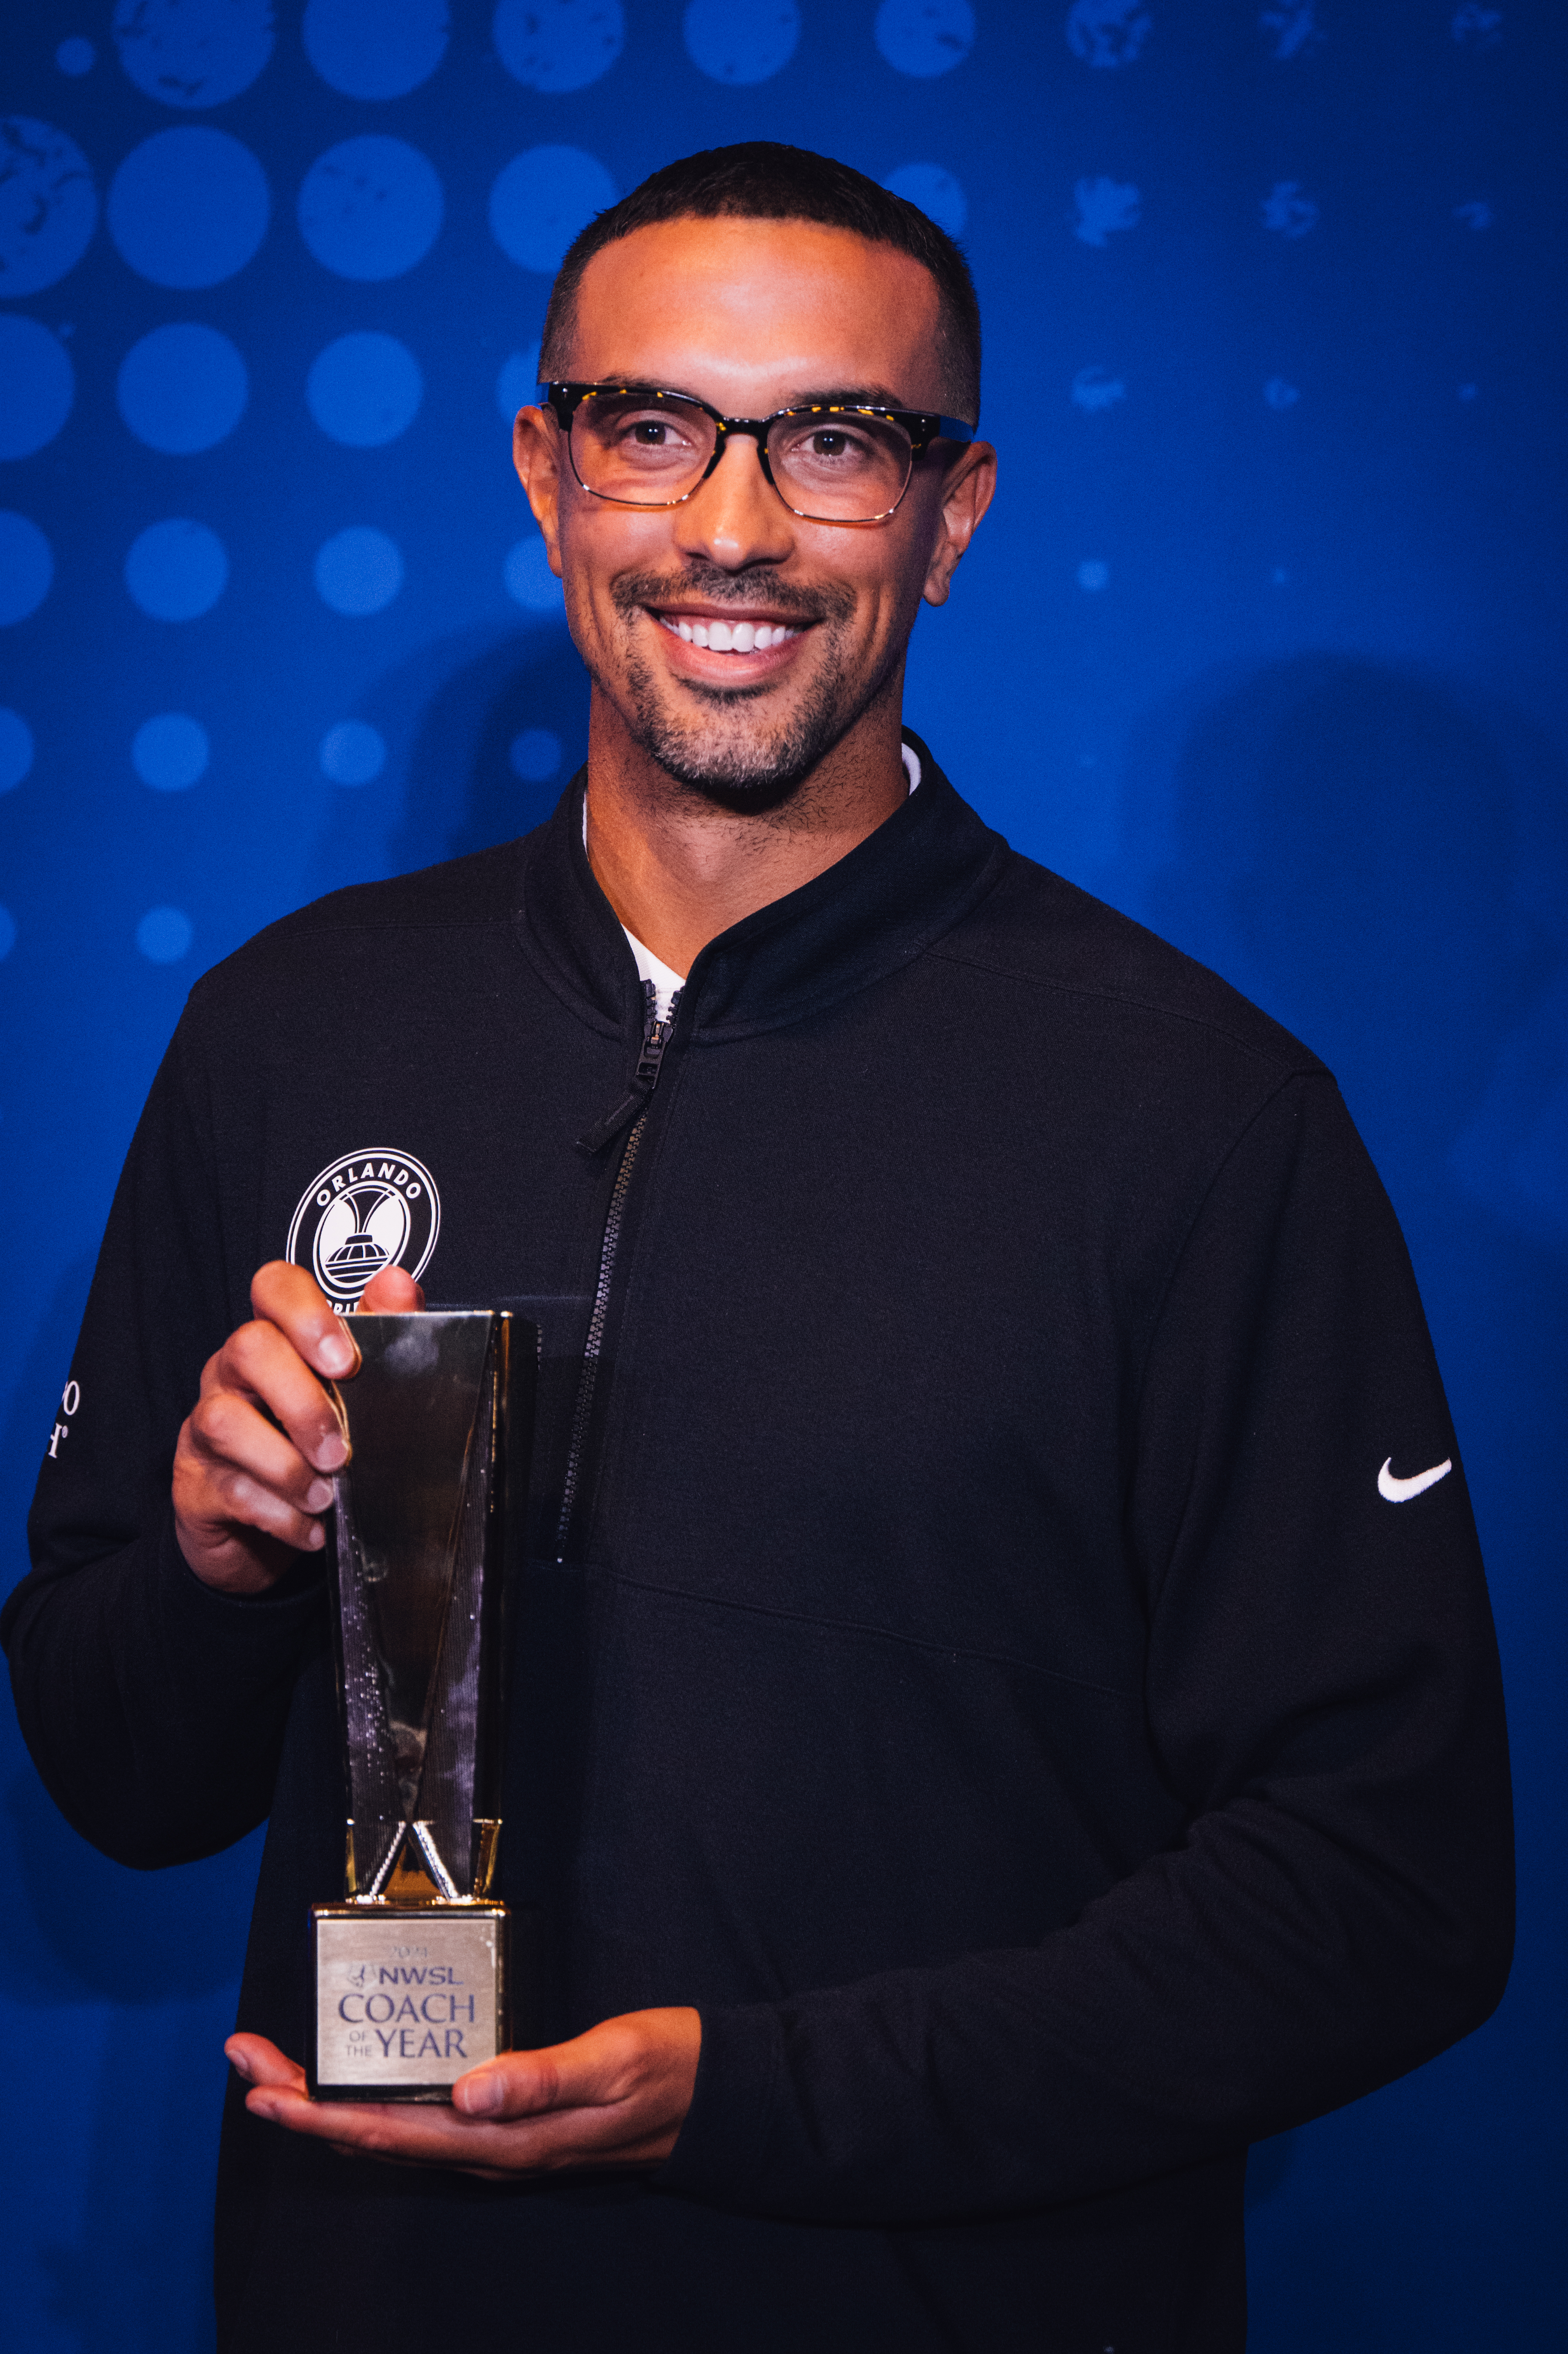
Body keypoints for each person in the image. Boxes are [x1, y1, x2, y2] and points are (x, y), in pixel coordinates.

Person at [4, 144, 1512, 2353]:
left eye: (833, 440)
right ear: (547, 475)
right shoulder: (291, 1025)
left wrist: (751, 2095)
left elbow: (1387, 1895)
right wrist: (222, 1574)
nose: (731, 527)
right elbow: (113, 1777)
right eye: (652, 429)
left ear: (953, 508)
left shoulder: (1198, 1115)